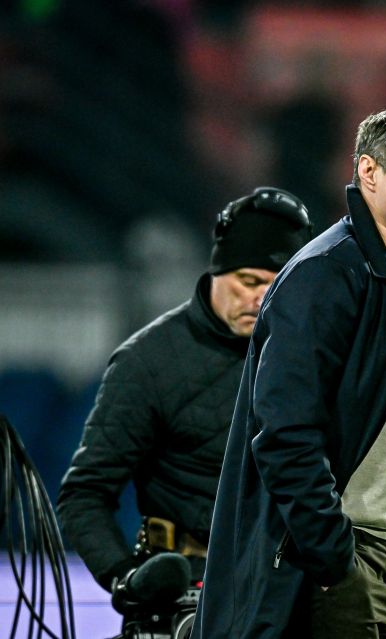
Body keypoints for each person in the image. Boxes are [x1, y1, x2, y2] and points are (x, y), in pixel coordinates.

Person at [194, 106, 386, 638]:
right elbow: (285, 436)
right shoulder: (324, 275)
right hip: (321, 562)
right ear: (368, 172)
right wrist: (335, 560)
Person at [56, 188, 313, 609]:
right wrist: (126, 579)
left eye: (277, 285)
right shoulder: (148, 362)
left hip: (292, 588)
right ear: (216, 272)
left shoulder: (317, 358)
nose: (260, 298)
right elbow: (84, 495)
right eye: (248, 281)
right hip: (182, 594)